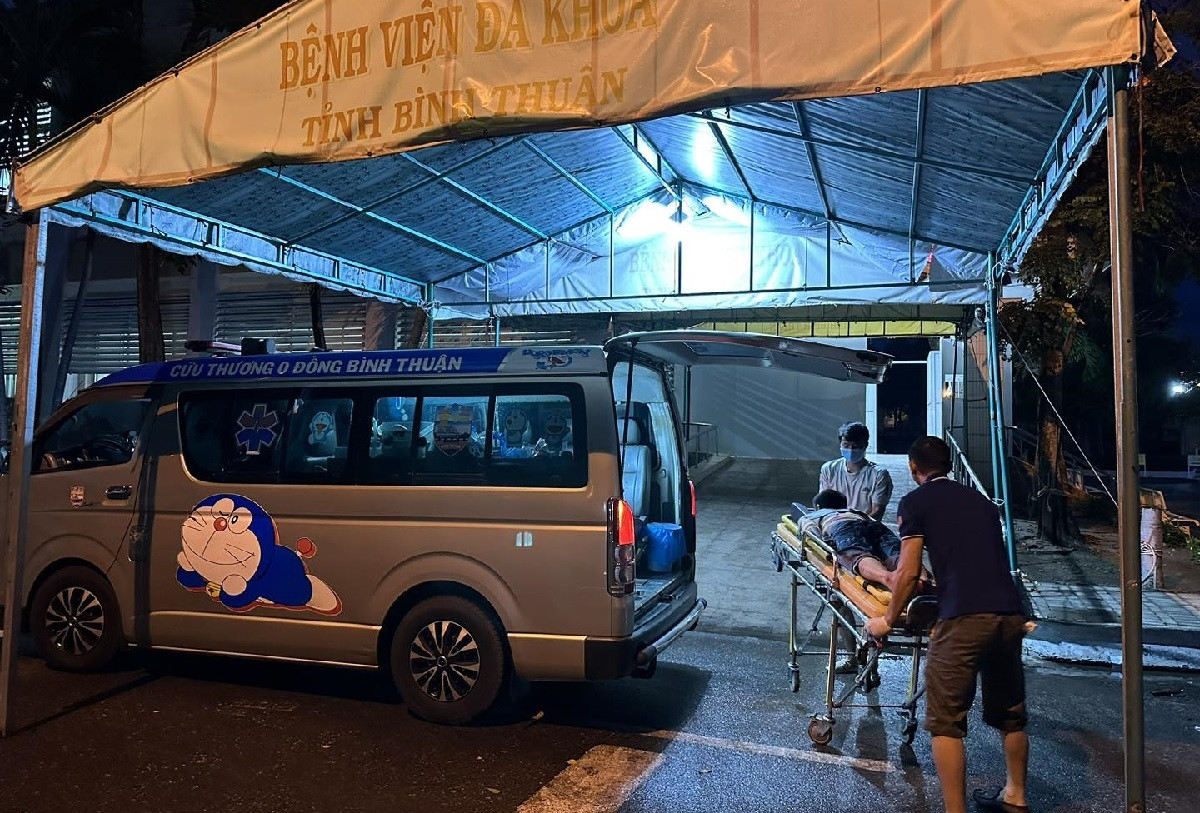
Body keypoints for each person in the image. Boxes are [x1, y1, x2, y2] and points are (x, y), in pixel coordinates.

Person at [866, 437, 1028, 813]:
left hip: (964, 617)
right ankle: (1016, 794)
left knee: (946, 723)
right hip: (1009, 614)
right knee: (1011, 713)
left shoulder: (915, 502)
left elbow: (907, 573)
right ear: (950, 465)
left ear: (913, 468)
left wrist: (887, 620)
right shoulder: (982, 502)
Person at [804, 489, 906, 591]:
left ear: (818, 507)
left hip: (842, 527)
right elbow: (872, 520)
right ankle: (912, 575)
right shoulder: (855, 512)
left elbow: (813, 535)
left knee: (857, 554)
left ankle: (886, 577)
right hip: (873, 525)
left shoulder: (813, 515)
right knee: (894, 552)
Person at [818, 421, 893, 521]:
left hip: (864, 526)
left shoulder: (878, 475)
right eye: (846, 446)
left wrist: (856, 525)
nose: (851, 450)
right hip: (834, 524)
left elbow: (877, 510)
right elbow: (824, 504)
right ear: (840, 445)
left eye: (856, 446)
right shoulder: (829, 469)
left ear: (865, 446)